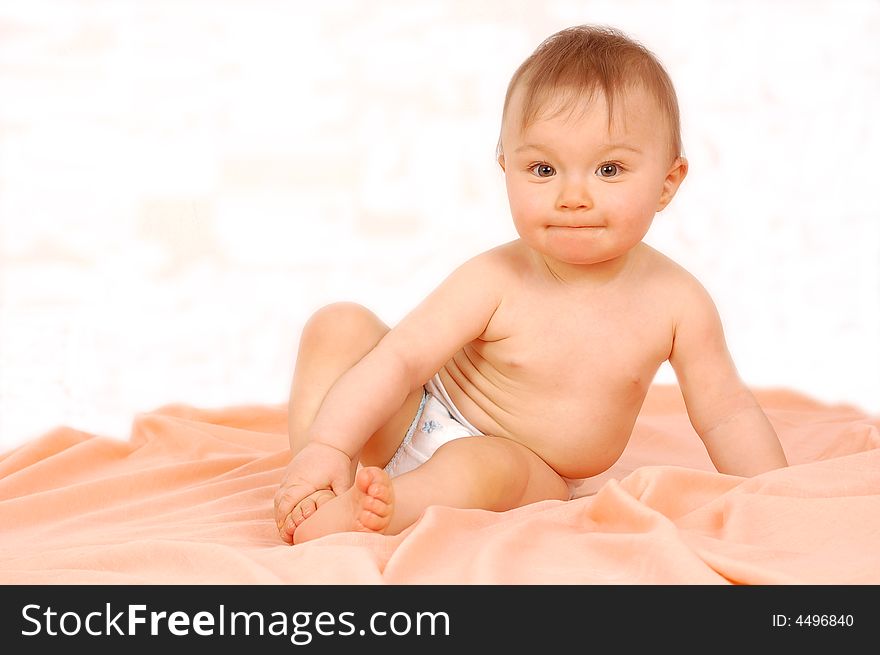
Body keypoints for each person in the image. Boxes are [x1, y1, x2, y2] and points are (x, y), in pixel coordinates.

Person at [273, 24, 789, 545]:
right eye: (543, 169)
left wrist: (775, 494)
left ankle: (385, 510)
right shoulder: (494, 277)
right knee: (337, 325)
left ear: (668, 182)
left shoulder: (678, 303)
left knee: (481, 466)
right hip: (415, 418)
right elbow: (401, 361)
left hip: (525, 467)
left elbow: (726, 413)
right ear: (506, 168)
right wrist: (332, 444)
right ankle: (314, 484)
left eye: (609, 169)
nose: (572, 196)